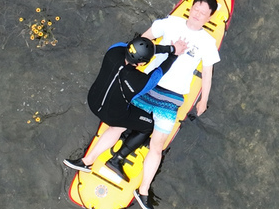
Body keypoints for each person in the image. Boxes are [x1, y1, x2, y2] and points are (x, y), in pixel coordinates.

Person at [127, 0, 221, 209]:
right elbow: (145, 38)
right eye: (196, 8)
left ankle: (142, 191)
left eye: (203, 12)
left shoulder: (207, 42)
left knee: (157, 145)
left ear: (209, 17)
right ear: (190, 7)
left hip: (173, 96)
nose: (197, 14)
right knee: (122, 123)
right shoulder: (170, 23)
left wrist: (204, 99)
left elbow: (207, 73)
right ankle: (91, 159)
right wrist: (132, 59)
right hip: (148, 82)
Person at [63, 35, 186, 181]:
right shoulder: (140, 82)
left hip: (93, 101)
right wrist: (174, 53)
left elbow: (135, 47)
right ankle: (117, 159)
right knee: (147, 125)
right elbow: (159, 72)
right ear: (141, 64)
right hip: (113, 115)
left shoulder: (114, 50)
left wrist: (170, 48)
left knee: (119, 121)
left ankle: (86, 161)